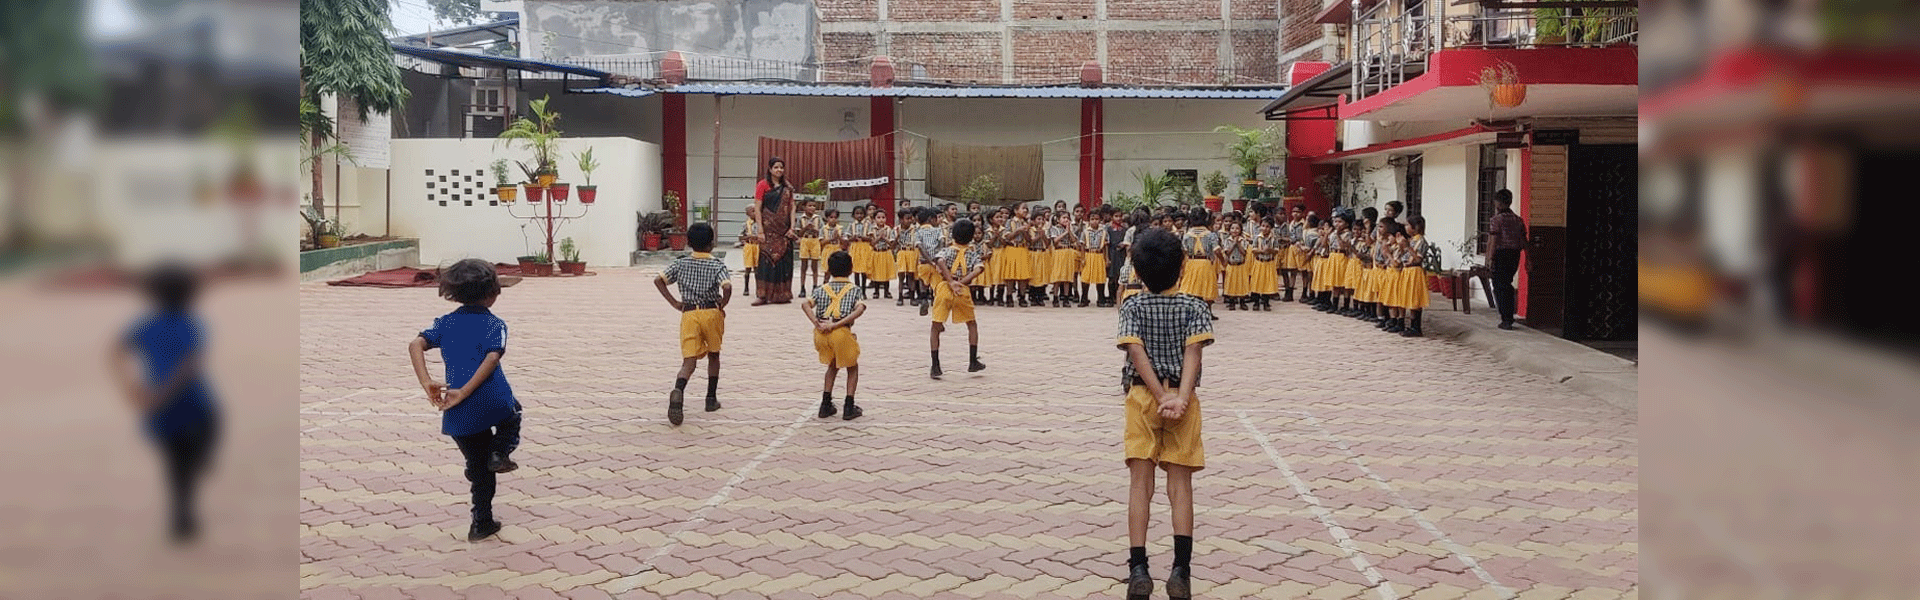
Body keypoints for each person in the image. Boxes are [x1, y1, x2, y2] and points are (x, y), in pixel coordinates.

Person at [1115, 228, 1213, 600]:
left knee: (1140, 483)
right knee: (1180, 485)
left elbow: (1135, 352)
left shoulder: (1132, 305)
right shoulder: (1194, 305)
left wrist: (1158, 395)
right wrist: (1180, 398)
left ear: (1136, 272)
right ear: (1183, 264)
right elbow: (1194, 353)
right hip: (1182, 401)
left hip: (1142, 398)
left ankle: (1138, 567)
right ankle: (1181, 570)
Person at [406, 259, 522, 541]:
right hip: (493, 399)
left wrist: (427, 382)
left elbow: (415, 344)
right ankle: (500, 452)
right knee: (513, 416)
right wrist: (468, 389)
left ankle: (481, 522)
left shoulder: (446, 323)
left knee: (478, 468)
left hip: (457, 409)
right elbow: (492, 357)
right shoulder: (495, 324)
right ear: (494, 293)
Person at [112, 263, 222, 544]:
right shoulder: (190, 323)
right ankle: (201, 466)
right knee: (211, 429)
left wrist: (133, 389)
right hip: (194, 403)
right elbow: (190, 365)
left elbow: (116, 351)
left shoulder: (146, 325)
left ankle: (182, 511)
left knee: (174, 465)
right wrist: (161, 393)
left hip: (160, 410)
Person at [654, 223, 732, 426]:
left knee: (688, 361)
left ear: (688, 243)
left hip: (689, 313)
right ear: (712, 244)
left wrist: (674, 303)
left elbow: (659, 280)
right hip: (711, 312)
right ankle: (710, 398)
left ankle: (679, 389)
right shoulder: (717, 264)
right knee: (714, 354)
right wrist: (723, 303)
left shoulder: (681, 263)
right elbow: (728, 287)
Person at [803, 251, 867, 420]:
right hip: (840, 331)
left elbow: (805, 304)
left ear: (829, 271)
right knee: (852, 367)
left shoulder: (822, 288)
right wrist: (837, 325)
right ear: (851, 270)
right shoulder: (854, 289)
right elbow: (860, 309)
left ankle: (825, 404)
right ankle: (848, 405)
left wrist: (817, 323)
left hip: (821, 333)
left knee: (833, 365)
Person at [929, 218, 989, 379]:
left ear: (953, 235)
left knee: (936, 326)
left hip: (944, 288)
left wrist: (950, 281)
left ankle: (935, 365)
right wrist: (961, 283)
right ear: (971, 237)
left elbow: (939, 260)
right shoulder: (972, 252)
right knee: (971, 324)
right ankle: (972, 361)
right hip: (962, 291)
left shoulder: (947, 250)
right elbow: (979, 269)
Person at [751, 158, 798, 305]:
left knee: (784, 261)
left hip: (784, 231)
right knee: (766, 261)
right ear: (770, 169)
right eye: (776, 167)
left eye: (781, 167)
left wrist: (792, 227)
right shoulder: (762, 185)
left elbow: (792, 208)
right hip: (768, 229)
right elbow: (758, 208)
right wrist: (760, 229)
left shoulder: (787, 187)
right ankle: (762, 295)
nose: (779, 170)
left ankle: (782, 294)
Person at [1486, 189, 1528, 329]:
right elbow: (1523, 240)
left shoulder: (1496, 220)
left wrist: (1489, 259)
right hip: (1514, 255)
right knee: (1507, 284)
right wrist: (1528, 258)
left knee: (1499, 286)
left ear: (1497, 203)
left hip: (1501, 254)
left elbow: (1493, 240)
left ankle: (1506, 318)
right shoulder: (1518, 220)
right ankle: (1509, 316)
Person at [737, 206, 759, 297]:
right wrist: (748, 237)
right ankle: (746, 287)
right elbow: (740, 236)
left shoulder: (760, 223)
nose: (755, 213)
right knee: (748, 267)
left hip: (758, 246)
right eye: (752, 211)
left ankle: (759, 288)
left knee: (758, 269)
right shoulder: (745, 224)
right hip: (749, 246)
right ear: (747, 214)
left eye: (756, 210)